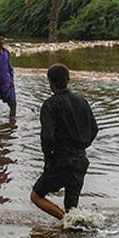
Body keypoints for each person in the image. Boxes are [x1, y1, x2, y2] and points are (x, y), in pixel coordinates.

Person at [30, 64, 98, 220]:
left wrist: (48, 161)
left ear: (50, 83)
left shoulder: (50, 105)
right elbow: (94, 129)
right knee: (71, 207)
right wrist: (82, 146)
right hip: (80, 161)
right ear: (68, 80)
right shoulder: (82, 101)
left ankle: (67, 221)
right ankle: (72, 231)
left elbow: (47, 137)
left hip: (61, 161)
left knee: (36, 196)